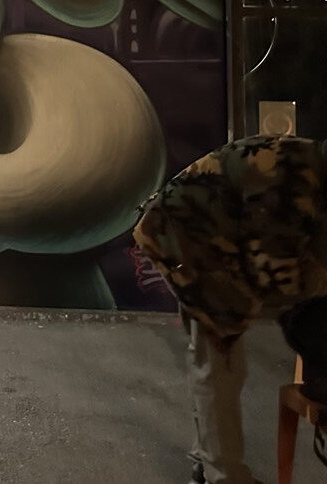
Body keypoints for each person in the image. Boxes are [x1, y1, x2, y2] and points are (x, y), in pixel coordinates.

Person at [133, 134, 327, 484]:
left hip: (215, 242)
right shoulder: (293, 178)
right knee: (220, 365)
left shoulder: (311, 169)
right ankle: (224, 477)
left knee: (218, 364)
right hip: (191, 244)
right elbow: (277, 270)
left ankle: (205, 461)